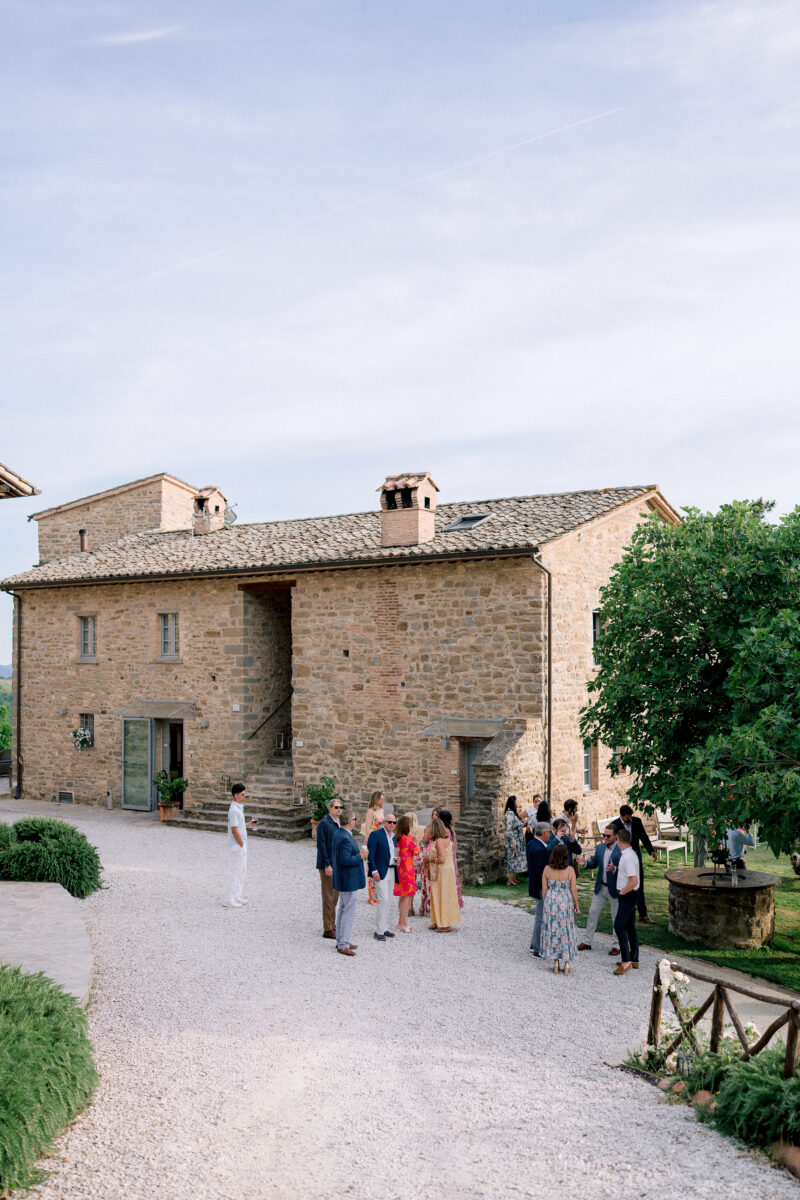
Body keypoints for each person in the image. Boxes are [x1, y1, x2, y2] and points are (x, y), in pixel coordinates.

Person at [577, 825, 621, 955]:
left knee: (616, 918)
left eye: (608, 836)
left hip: (615, 890)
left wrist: (615, 869)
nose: (605, 838)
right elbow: (594, 863)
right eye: (604, 835)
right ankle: (587, 941)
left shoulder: (621, 850)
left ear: (616, 836)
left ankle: (616, 945)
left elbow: (626, 869)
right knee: (592, 913)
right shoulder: (600, 848)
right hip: (600, 887)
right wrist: (586, 863)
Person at [613, 804, 657, 924]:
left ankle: (643, 915)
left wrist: (651, 850)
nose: (630, 819)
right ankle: (624, 914)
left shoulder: (636, 821)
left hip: (635, 856)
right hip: (622, 858)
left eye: (631, 816)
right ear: (622, 816)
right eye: (627, 817)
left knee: (638, 885)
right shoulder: (615, 825)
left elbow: (643, 836)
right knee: (624, 885)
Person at [331, 809, 367, 957]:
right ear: (351, 822)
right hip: (348, 879)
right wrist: (361, 856)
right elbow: (345, 860)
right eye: (355, 819)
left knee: (342, 910)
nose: (355, 822)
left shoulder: (338, 834)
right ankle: (343, 944)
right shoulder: (345, 837)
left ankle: (341, 940)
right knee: (348, 912)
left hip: (343, 879)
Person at [540, 842, 579, 974]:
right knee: (565, 929)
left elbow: (544, 889)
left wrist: (547, 903)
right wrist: (576, 904)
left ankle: (556, 961)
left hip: (551, 900)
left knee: (553, 929)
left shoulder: (547, 869)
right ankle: (567, 963)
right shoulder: (570, 870)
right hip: (565, 900)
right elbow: (573, 889)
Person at [223, 783, 257, 908]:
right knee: (236, 871)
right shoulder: (233, 810)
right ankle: (228, 899)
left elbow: (239, 826)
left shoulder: (238, 807)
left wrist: (248, 824)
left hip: (241, 844)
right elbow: (234, 830)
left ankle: (237, 895)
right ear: (236, 795)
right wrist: (242, 845)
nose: (244, 796)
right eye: (243, 794)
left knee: (242, 871)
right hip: (238, 845)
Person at [612, 827, 640, 975]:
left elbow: (633, 880)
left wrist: (622, 892)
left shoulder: (628, 857)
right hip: (630, 895)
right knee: (630, 927)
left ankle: (626, 961)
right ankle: (634, 959)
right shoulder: (630, 854)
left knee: (619, 926)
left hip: (628, 895)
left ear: (618, 841)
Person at [427, 817, 462, 931]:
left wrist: (429, 859)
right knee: (437, 894)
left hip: (442, 871)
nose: (429, 829)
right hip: (447, 870)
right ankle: (437, 920)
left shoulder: (439, 841)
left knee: (443, 895)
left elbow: (442, 859)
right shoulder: (445, 838)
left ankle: (445, 924)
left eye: (430, 827)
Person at [315, 795, 343, 938]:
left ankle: (333, 924)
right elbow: (321, 845)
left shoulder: (339, 823)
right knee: (328, 897)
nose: (339, 809)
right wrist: (327, 864)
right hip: (328, 864)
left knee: (335, 897)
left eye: (340, 807)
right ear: (330, 808)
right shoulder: (324, 824)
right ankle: (327, 928)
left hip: (338, 864)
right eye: (336, 807)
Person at [367, 811, 398, 941]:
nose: (392, 824)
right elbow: (370, 854)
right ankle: (378, 930)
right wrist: (374, 871)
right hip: (380, 872)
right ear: (384, 822)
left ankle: (384, 928)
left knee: (389, 900)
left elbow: (391, 853)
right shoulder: (375, 834)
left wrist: (396, 859)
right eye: (389, 822)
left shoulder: (393, 837)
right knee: (383, 899)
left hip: (392, 870)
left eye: (394, 822)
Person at [526, 821, 552, 956]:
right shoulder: (539, 849)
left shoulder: (532, 843)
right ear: (545, 833)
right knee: (541, 917)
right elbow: (542, 872)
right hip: (541, 887)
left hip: (536, 884)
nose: (550, 834)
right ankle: (537, 948)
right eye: (550, 832)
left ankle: (534, 944)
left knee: (539, 916)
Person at [392, 813, 419, 933]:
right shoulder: (408, 840)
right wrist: (417, 841)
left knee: (402, 896)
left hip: (399, 870)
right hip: (408, 871)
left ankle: (402, 921)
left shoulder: (395, 838)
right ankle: (401, 923)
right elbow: (417, 852)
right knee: (407, 897)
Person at [361, 791, 385, 905]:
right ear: (376, 799)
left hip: (381, 841)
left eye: (383, 799)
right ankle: (373, 897)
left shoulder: (382, 810)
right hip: (373, 841)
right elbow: (367, 829)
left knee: (380, 866)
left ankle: (380, 894)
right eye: (381, 799)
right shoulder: (371, 811)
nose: (383, 801)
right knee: (372, 866)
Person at [436, 808, 464, 909]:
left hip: (445, 857)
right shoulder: (451, 829)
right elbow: (455, 845)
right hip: (451, 857)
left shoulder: (442, 831)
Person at [504, 796, 527, 886]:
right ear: (513, 802)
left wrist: (525, 823)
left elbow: (517, 826)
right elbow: (509, 830)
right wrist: (513, 842)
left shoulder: (513, 813)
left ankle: (513, 878)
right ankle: (509, 880)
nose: (517, 802)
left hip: (518, 840)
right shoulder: (509, 814)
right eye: (516, 801)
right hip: (514, 841)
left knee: (517, 859)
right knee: (513, 859)